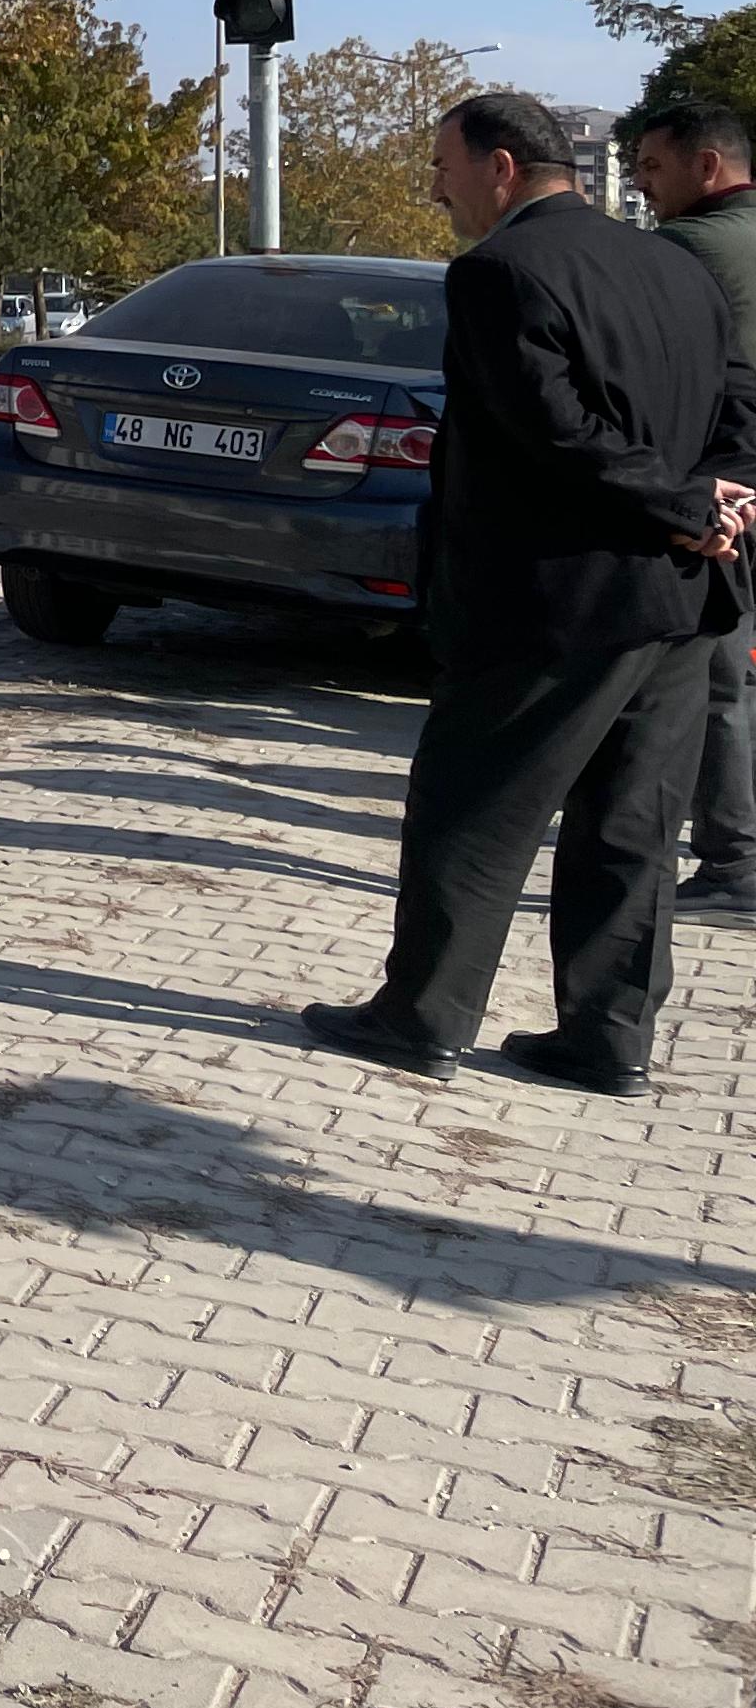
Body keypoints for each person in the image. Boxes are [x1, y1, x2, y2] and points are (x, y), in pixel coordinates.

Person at [305, 93, 756, 1095]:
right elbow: (740, 400)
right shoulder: (674, 264)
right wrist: (721, 499)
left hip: (558, 602)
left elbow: (550, 433)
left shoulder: (500, 272)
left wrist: (686, 499)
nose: (436, 187)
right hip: (682, 597)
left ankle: (422, 1019)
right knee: (632, 827)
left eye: (443, 167)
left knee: (474, 810)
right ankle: (608, 1038)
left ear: (502, 167)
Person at [626, 99, 756, 917]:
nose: (642, 186)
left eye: (652, 168)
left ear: (706, 166)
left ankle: (733, 860)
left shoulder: (687, 248)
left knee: (716, 677)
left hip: (726, 495)